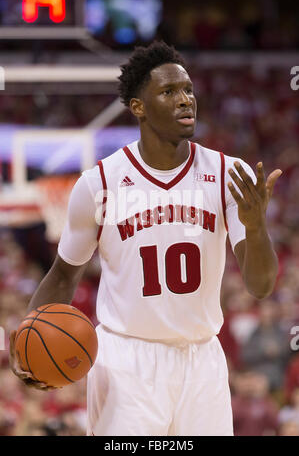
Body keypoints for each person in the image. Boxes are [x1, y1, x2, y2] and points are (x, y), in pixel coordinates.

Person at [9, 41, 282, 436]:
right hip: (126, 361)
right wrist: (26, 339)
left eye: (188, 90)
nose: (185, 100)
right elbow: (65, 274)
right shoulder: (99, 183)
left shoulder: (229, 174)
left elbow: (260, 286)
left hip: (201, 359)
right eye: (169, 92)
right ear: (138, 107)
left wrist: (256, 229)